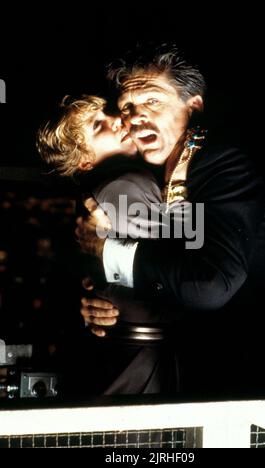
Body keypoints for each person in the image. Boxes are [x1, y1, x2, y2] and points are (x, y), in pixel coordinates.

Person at [77, 44, 265, 397]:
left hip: (249, 384)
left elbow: (208, 284)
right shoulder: (154, 176)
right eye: (127, 108)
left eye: (153, 101)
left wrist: (109, 253)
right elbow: (165, 269)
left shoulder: (222, 163)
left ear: (193, 105)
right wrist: (97, 300)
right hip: (192, 377)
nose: (135, 117)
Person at [36, 94, 184, 395]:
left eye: (106, 112)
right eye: (97, 124)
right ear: (84, 160)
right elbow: (189, 248)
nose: (117, 119)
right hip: (141, 362)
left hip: (131, 356)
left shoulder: (112, 188)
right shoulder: (123, 187)